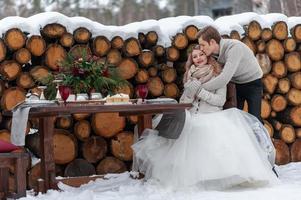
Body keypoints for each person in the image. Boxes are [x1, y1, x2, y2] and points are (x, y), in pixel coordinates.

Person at [132, 46, 278, 190]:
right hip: (193, 115)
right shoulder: (189, 77)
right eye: (194, 57)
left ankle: (221, 176)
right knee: (178, 129)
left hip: (213, 115)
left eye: (201, 54)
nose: (198, 58)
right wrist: (189, 93)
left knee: (204, 131)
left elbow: (220, 101)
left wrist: (200, 91)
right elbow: (184, 103)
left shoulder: (218, 75)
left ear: (207, 56)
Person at [197, 26, 263, 121]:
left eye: (203, 45)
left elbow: (224, 78)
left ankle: (260, 136)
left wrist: (200, 88)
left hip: (253, 82)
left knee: (255, 118)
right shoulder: (212, 54)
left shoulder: (234, 48)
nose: (201, 48)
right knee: (235, 117)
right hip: (237, 83)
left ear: (212, 42)